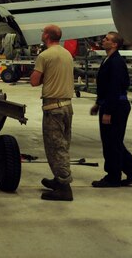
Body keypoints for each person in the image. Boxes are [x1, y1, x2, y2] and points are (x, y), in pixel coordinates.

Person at [90, 31, 132, 188]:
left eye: (107, 39)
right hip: (110, 104)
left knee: (111, 143)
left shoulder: (116, 62)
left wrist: (108, 111)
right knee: (113, 142)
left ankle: (113, 177)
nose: (103, 40)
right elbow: (105, 86)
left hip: (115, 107)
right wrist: (98, 104)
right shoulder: (109, 59)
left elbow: (115, 88)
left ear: (114, 44)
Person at [30, 24, 75, 201]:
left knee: (56, 148)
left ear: (47, 36)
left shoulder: (45, 56)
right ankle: (58, 179)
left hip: (53, 107)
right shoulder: (67, 54)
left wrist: (43, 78)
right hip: (67, 106)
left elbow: (34, 81)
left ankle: (64, 187)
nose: (41, 34)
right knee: (63, 144)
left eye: (43, 32)